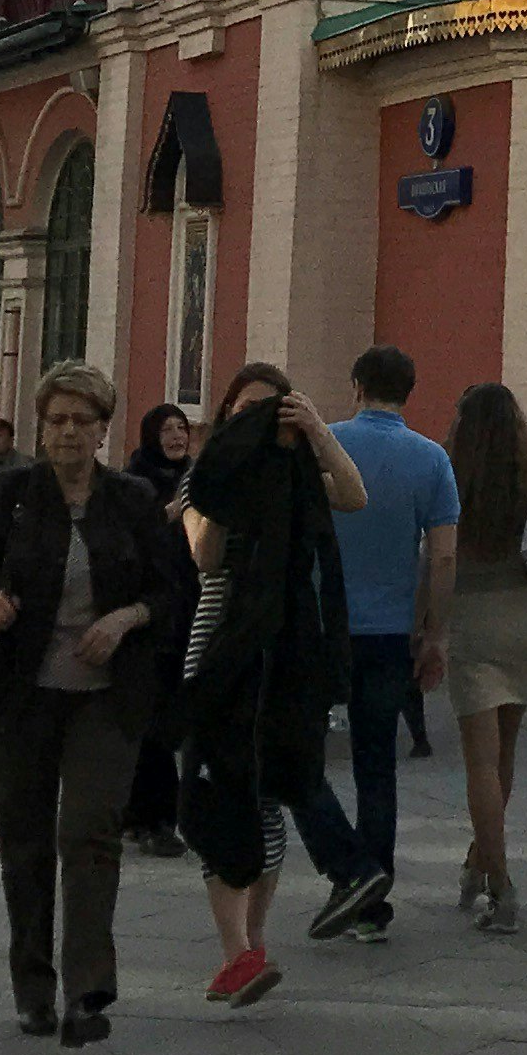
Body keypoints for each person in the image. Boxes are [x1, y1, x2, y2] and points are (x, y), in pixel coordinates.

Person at [0, 360, 185, 1047]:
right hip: (20, 694)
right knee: (26, 839)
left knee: (89, 830)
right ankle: (32, 986)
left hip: (106, 697)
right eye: (56, 421)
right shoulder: (11, 494)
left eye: (81, 422)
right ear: (40, 426)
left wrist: (125, 619)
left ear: (103, 430)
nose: (67, 433)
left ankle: (87, 989)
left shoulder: (132, 500)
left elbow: (171, 590)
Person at [171, 362, 361, 1005]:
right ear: (227, 417)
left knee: (271, 790)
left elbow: (354, 494)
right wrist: (230, 489)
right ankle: (237, 951)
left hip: (284, 648)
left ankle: (252, 942)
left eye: (270, 409)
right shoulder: (207, 476)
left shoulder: (299, 473)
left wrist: (319, 433)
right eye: (245, 409)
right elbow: (204, 555)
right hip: (221, 643)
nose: (256, 420)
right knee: (215, 789)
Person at [294, 346, 456, 946]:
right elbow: (443, 555)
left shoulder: (325, 444)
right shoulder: (432, 459)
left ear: (356, 386)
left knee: (298, 756)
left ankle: (348, 867)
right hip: (390, 632)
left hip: (321, 626)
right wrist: (434, 633)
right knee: (376, 766)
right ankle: (372, 903)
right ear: (409, 392)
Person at [443, 381, 527, 934]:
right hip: (525, 622)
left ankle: (502, 886)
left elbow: (435, 555)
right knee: (504, 754)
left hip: (472, 623)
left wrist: (427, 625)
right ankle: (476, 861)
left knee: (480, 764)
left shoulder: (451, 476)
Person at [120, 404, 196, 851]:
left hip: (190, 612)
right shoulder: (134, 483)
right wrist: (170, 513)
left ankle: (142, 814)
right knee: (153, 722)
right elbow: (128, 542)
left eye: (181, 428)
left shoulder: (197, 478)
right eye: (166, 429)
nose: (176, 436)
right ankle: (155, 820)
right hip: (148, 616)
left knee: (169, 720)